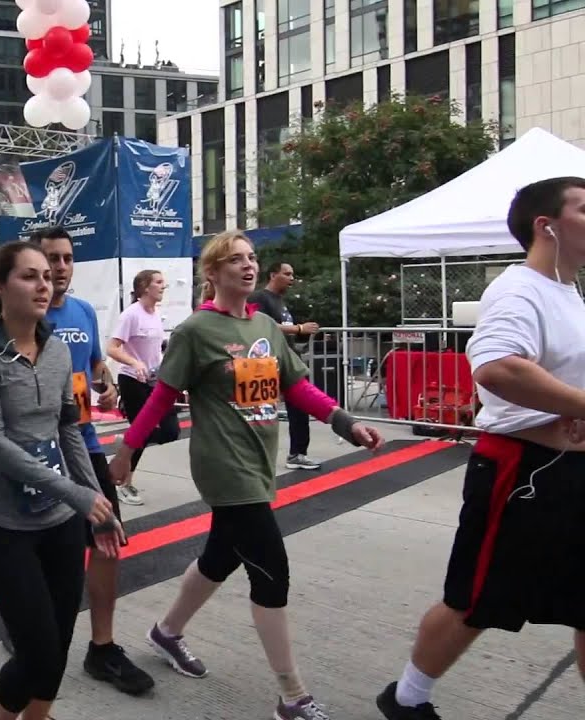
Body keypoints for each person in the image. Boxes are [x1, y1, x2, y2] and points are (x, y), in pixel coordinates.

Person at [109, 230, 384, 720]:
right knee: (271, 571)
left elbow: (297, 387)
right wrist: (128, 449)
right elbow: (162, 397)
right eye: (234, 259)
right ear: (212, 273)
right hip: (222, 465)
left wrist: (346, 422)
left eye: (252, 257)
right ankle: (293, 696)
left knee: (220, 557)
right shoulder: (196, 331)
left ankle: (166, 633)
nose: (247, 265)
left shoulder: (266, 326)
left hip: (259, 461)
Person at [376, 177, 585, 720]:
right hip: (523, 472)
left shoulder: (569, 290)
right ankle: (407, 699)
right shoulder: (519, 289)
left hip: (570, 473)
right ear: (548, 226)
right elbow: (496, 367)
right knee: (475, 600)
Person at [0, 240, 123, 720]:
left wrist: (94, 503)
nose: (43, 284)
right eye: (29, 276)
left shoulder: (56, 353)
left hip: (59, 523)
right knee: (36, 651)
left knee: (60, 644)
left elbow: (69, 428)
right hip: (1, 525)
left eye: (46, 276)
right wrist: (76, 493)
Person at [30, 227, 154, 695]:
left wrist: (106, 383)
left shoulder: (82, 310)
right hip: (39, 451)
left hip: (84, 445)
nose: (59, 268)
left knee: (108, 540)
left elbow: (96, 363)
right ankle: (29, 627)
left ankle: (102, 648)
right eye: (49, 261)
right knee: (41, 549)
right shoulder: (21, 317)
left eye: (65, 259)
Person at [107, 269, 182, 506]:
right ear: (144, 288)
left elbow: (154, 350)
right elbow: (112, 348)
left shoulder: (156, 313)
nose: (163, 286)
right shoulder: (131, 315)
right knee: (141, 434)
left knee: (171, 431)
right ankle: (124, 484)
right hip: (132, 381)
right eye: (159, 282)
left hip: (155, 381)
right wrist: (134, 362)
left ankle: (126, 440)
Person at [248, 262, 322, 470]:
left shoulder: (279, 300)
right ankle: (257, 456)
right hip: (270, 362)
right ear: (273, 275)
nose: (292, 278)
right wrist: (298, 328)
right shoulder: (260, 298)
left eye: (292, 274)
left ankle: (298, 453)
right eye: (287, 274)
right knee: (260, 410)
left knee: (300, 407)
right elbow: (259, 324)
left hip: (289, 360)